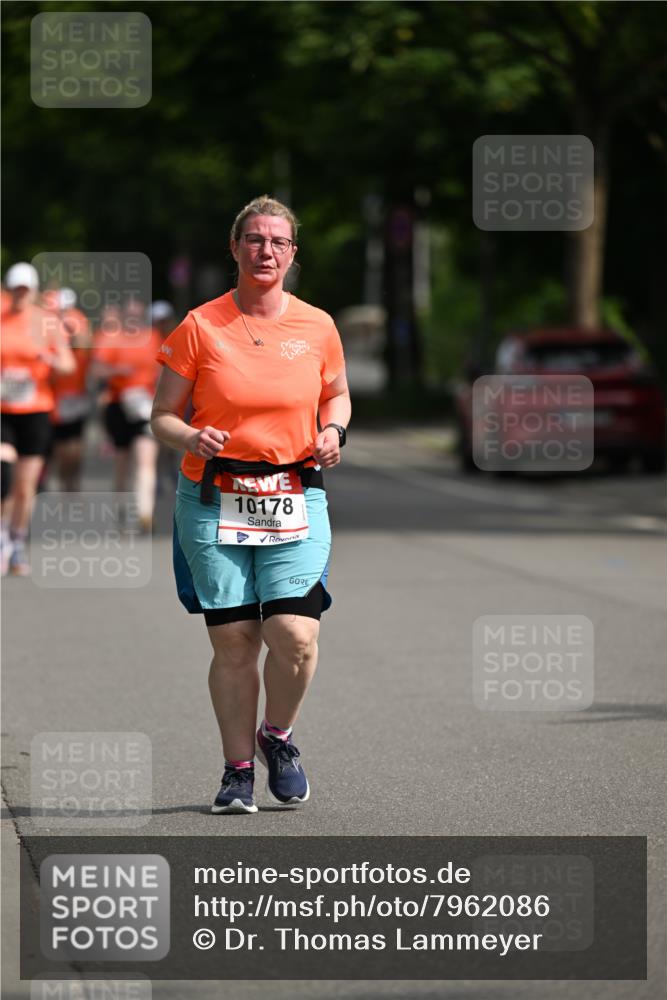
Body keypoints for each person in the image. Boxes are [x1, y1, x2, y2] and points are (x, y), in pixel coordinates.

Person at [151, 195, 351, 814]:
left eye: (279, 242)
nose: (267, 251)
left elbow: (337, 395)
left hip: (294, 492)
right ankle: (238, 770)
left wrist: (334, 432)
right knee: (236, 639)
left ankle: (277, 736)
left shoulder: (317, 325)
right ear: (235, 248)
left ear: (293, 255)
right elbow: (161, 415)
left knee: (293, 633)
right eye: (255, 240)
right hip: (215, 497)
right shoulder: (200, 325)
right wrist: (190, 436)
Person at [1, 263, 75, 575]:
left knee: (25, 485)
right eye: (15, 289)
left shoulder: (46, 322)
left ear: (32, 291)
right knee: (3, 475)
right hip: (3, 410)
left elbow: (69, 365)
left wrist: (52, 359)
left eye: (25, 289)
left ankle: (17, 542)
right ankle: (2, 538)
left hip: (35, 409)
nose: (20, 295)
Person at [91, 299, 162, 532]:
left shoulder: (153, 337)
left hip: (144, 406)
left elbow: (163, 369)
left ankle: (144, 513)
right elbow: (96, 369)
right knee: (122, 462)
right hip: (118, 404)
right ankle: (120, 510)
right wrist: (117, 371)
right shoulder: (111, 337)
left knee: (145, 459)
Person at [48, 287, 92, 492]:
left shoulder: (76, 319)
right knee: (65, 442)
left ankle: (71, 481)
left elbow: (85, 342)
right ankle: (67, 482)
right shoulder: (51, 321)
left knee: (72, 442)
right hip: (58, 392)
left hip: (74, 391)